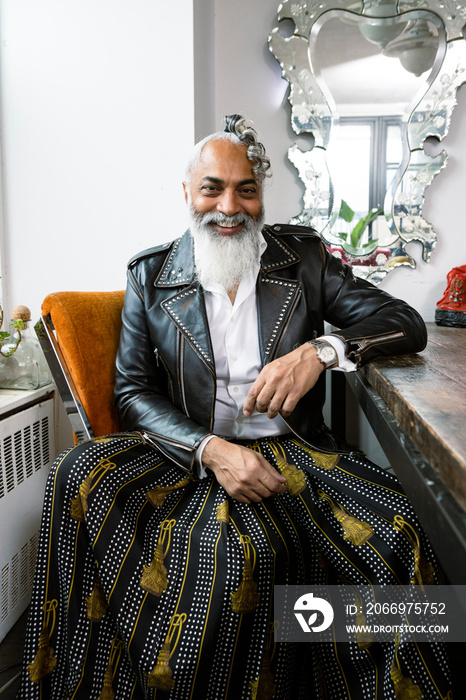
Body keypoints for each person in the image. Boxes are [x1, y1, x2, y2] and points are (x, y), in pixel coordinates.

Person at [18, 115, 451, 699]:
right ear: (187, 194)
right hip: (190, 453)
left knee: (402, 532)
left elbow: (404, 322)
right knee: (80, 476)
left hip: (296, 451)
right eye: (212, 188)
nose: (230, 205)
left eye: (246, 189)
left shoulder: (303, 260)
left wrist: (322, 350)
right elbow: (131, 392)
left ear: (261, 194)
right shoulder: (151, 275)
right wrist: (209, 448)